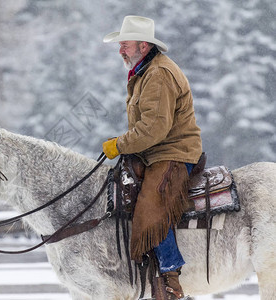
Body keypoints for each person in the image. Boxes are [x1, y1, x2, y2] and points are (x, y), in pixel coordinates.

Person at [102, 16, 202, 299]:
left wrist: (119, 145)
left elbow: (154, 128)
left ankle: (171, 278)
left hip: (173, 151)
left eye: (125, 45)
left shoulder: (158, 74)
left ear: (143, 45)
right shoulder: (145, 71)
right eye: (120, 45)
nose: (121, 50)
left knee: (151, 206)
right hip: (155, 151)